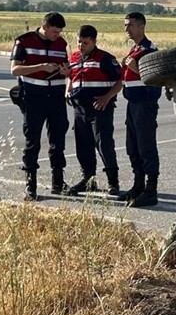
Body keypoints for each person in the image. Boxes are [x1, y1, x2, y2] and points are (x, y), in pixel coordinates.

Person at [10, 12, 70, 200]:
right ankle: (31, 184)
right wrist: (41, 67)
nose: (57, 35)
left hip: (56, 96)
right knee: (32, 140)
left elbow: (66, 67)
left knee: (58, 139)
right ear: (44, 27)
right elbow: (14, 69)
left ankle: (58, 182)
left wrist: (66, 71)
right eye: (54, 32)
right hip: (33, 96)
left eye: (59, 32)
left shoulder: (61, 43)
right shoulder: (24, 41)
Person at [65, 24, 124, 197]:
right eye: (79, 42)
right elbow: (72, 76)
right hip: (80, 109)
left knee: (104, 144)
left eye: (85, 43)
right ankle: (88, 180)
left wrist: (107, 97)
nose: (81, 46)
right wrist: (68, 90)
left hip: (100, 108)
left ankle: (113, 181)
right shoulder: (75, 57)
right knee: (83, 146)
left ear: (94, 42)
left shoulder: (105, 58)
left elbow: (120, 81)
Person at [119, 11, 162, 207]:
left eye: (130, 25)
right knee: (133, 147)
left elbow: (153, 78)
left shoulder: (149, 51)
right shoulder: (135, 49)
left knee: (146, 147)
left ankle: (151, 190)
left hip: (145, 103)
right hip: (133, 103)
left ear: (141, 27)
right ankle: (138, 185)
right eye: (125, 25)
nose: (126, 28)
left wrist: (134, 67)